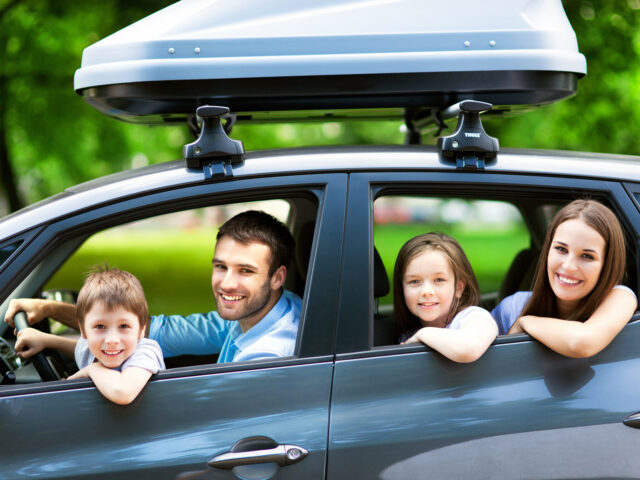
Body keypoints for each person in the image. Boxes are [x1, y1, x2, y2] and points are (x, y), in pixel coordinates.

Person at [5, 210, 301, 363]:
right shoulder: (263, 310)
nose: (226, 283)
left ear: (277, 277)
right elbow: (149, 331)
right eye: (220, 266)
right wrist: (50, 310)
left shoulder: (267, 356)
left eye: (245, 271)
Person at [492, 199, 637, 358]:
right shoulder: (513, 307)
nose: (568, 266)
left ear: (606, 264)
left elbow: (581, 343)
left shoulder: (621, 297)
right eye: (561, 249)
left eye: (587, 256)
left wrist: (524, 322)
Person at [14, 268, 164, 405]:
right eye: (100, 326)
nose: (111, 340)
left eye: (124, 326)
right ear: (83, 330)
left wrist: (90, 370)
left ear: (141, 330)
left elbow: (123, 393)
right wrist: (47, 340)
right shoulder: (90, 348)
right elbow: (80, 348)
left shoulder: (145, 352)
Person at [394, 232, 498, 363]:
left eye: (438, 279)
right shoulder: (409, 333)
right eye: (415, 281)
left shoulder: (474, 317)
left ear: (459, 288)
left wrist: (424, 334)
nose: (426, 291)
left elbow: (468, 349)